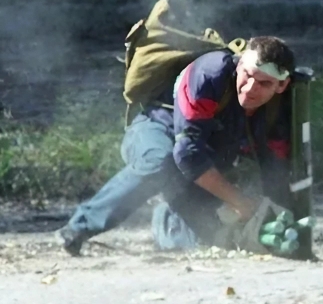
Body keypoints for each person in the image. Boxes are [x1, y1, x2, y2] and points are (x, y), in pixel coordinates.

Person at [56, 37, 297, 255]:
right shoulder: (210, 74)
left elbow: (275, 162)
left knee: (202, 244)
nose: (250, 88)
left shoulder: (284, 103)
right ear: (239, 64)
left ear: (281, 85)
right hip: (156, 130)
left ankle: (166, 217)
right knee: (160, 161)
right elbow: (187, 155)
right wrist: (239, 201)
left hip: (202, 157)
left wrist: (284, 219)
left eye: (264, 83)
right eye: (247, 75)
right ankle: (77, 228)